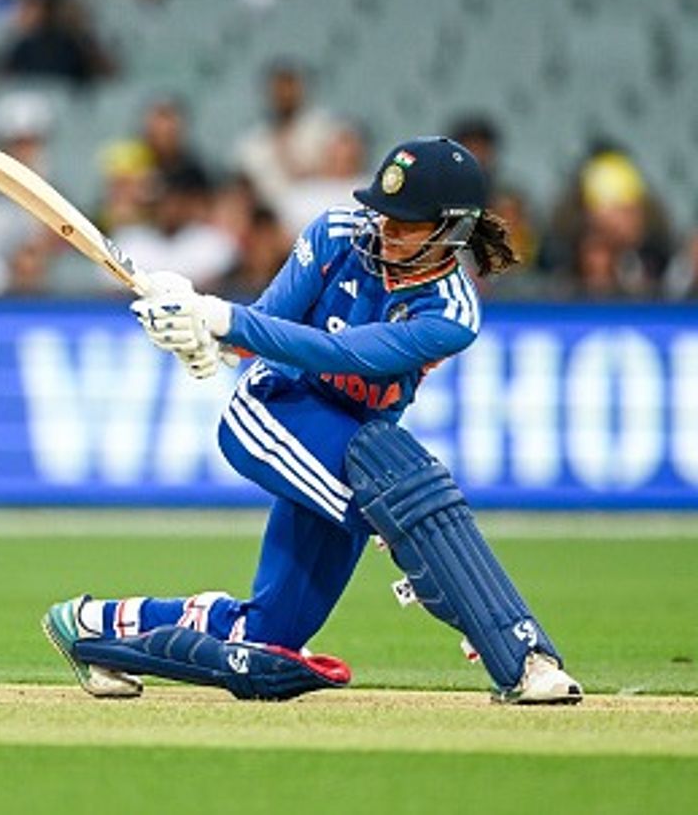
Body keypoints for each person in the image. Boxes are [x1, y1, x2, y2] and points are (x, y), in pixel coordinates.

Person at [42, 136, 583, 704]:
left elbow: (346, 354)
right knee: (403, 484)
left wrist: (219, 320)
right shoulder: (336, 234)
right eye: (384, 213)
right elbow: (265, 326)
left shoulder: (451, 312)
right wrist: (200, 331)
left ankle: (93, 628)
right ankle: (522, 658)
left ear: (450, 231)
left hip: (357, 451)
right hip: (274, 410)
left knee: (268, 635)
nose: (385, 229)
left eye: (406, 223)